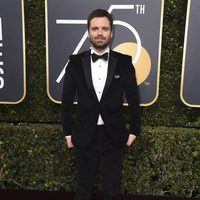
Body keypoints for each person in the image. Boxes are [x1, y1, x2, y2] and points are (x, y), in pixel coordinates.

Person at [61, 9, 141, 200]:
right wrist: (68, 133)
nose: (99, 32)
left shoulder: (124, 62)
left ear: (111, 33)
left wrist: (134, 131)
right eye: (95, 28)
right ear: (88, 32)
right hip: (83, 134)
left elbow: (133, 98)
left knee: (112, 191)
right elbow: (66, 100)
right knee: (83, 190)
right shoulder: (74, 62)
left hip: (114, 134)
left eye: (104, 28)